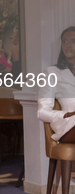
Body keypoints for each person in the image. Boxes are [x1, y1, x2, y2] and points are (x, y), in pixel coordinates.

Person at [38, 26, 75, 193]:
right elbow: (42, 111)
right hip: (67, 124)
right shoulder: (52, 72)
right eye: (65, 41)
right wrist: (66, 114)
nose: (68, 45)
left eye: (73, 41)